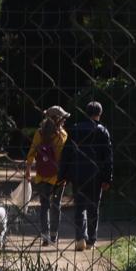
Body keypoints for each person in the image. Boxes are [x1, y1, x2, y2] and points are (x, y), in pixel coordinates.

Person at [59, 101, 114, 250]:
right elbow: (108, 157)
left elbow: (66, 154)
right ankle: (91, 240)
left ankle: (79, 238)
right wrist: (107, 178)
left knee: (79, 207)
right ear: (100, 114)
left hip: (78, 173)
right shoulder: (103, 131)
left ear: (86, 112)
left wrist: (63, 175)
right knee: (93, 207)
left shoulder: (75, 129)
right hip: (96, 175)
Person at [24, 105, 68, 245]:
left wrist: (28, 169)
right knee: (56, 205)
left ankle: (45, 236)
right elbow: (65, 157)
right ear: (57, 119)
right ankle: (54, 235)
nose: (64, 120)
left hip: (42, 176)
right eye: (63, 118)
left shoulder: (40, 133)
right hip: (58, 177)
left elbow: (32, 151)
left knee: (44, 206)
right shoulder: (63, 135)